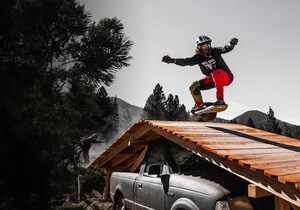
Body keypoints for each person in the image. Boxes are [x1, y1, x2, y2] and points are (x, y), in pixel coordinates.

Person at [162, 35, 238, 114]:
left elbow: (226, 48)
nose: (206, 48)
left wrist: (231, 44)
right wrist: (172, 60)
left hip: (226, 77)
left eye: (207, 45)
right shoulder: (198, 58)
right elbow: (186, 62)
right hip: (213, 79)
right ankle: (199, 106)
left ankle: (220, 99)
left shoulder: (215, 51)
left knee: (216, 72)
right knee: (194, 86)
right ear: (198, 48)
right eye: (203, 46)